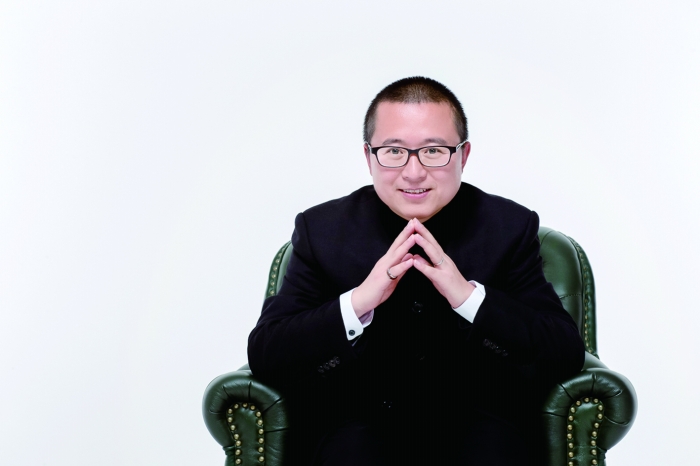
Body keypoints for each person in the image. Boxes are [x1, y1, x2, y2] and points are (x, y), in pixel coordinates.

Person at [248, 77, 585, 466]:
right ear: (368, 156)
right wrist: (358, 303)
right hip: (355, 431)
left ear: (463, 155)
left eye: (434, 151)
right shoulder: (322, 230)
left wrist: (469, 298)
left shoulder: (509, 227)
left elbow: (564, 353)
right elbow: (267, 353)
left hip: (481, 430)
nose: (413, 172)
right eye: (393, 151)